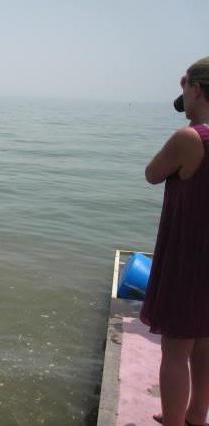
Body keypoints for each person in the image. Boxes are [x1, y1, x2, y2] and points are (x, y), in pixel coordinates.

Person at [140, 57, 209, 426]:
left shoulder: (190, 138)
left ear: (195, 89)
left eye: (186, 89)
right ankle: (196, 416)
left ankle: (173, 420)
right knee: (205, 343)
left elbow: (152, 173)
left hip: (190, 257)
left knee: (176, 348)